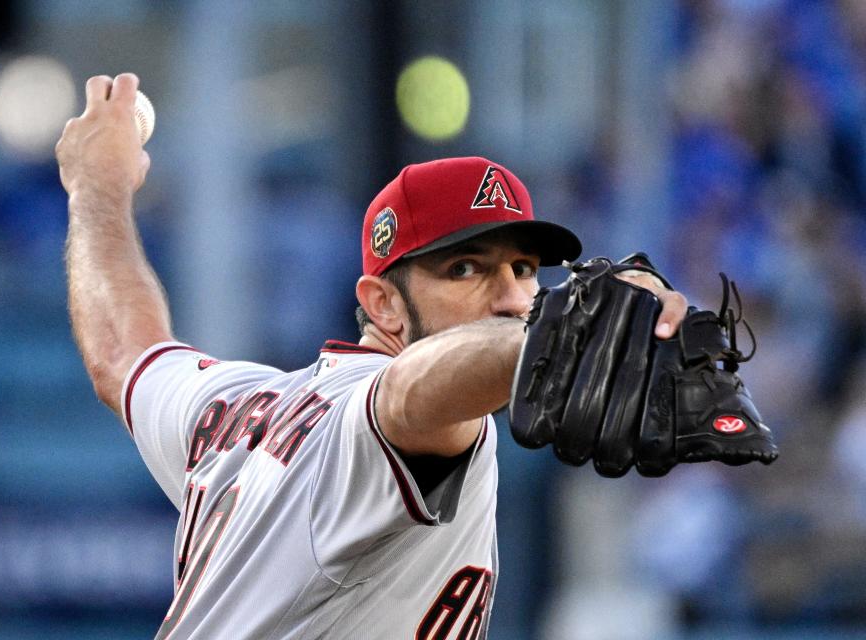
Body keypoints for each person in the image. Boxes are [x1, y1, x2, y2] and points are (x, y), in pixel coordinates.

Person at [56, 73, 687, 640]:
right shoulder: (386, 419)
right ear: (382, 305)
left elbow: (122, 351)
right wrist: (558, 333)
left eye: (523, 269)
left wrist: (96, 190)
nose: (510, 296)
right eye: (464, 269)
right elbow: (410, 392)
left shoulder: (233, 401)